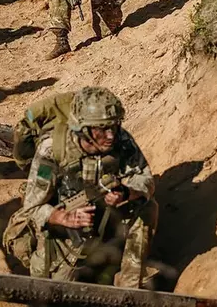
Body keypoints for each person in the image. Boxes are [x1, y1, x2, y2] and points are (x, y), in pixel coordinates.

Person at [10, 87, 157, 287]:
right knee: (56, 289)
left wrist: (127, 192)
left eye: (113, 127)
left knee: (147, 207)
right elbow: (33, 207)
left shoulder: (122, 140)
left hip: (106, 216)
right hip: (66, 230)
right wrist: (64, 218)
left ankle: (130, 285)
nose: (110, 135)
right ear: (83, 129)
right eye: (102, 129)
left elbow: (144, 178)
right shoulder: (51, 151)